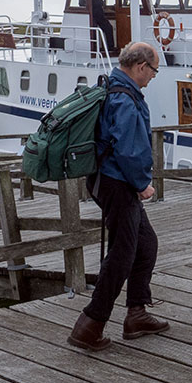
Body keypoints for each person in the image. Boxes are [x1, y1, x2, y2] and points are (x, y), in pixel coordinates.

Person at [68, 42, 169, 350]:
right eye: (153, 70)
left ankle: (136, 313)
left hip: (109, 180)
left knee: (145, 243)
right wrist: (142, 184)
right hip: (118, 182)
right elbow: (129, 148)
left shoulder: (112, 86)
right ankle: (89, 325)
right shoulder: (124, 98)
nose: (153, 77)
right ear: (140, 67)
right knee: (122, 254)